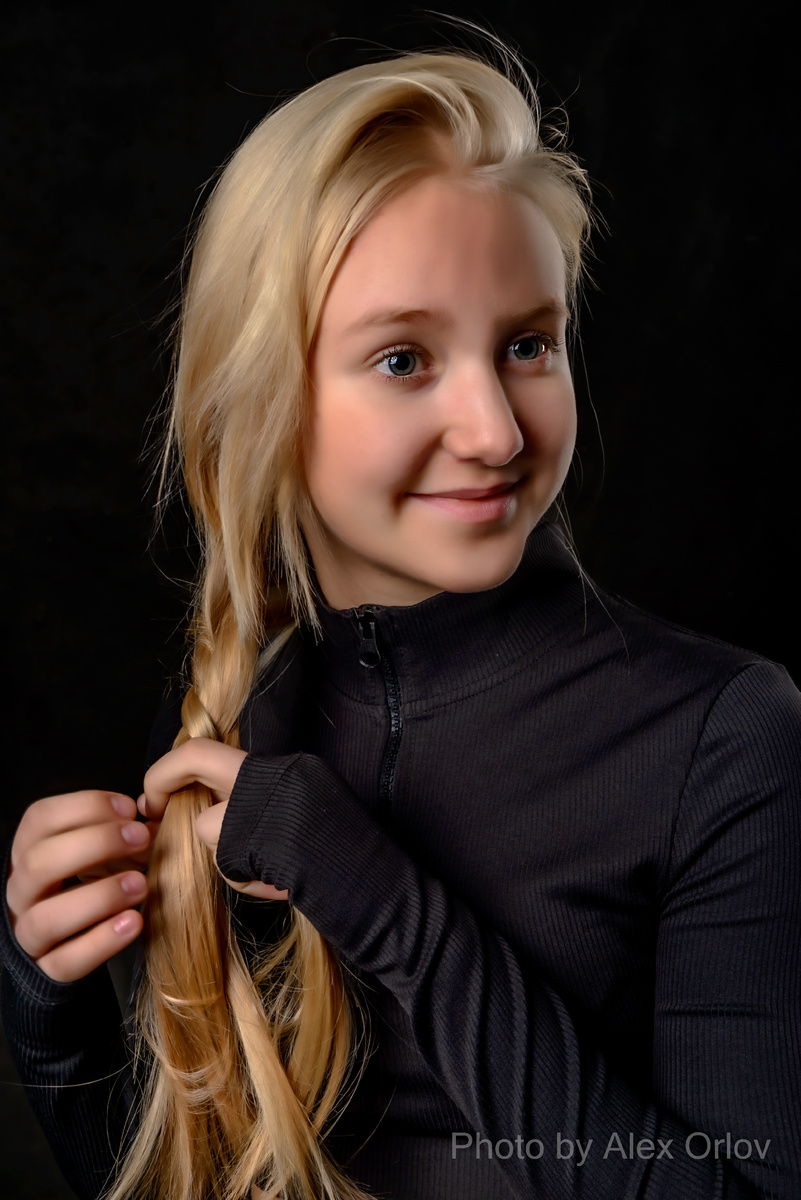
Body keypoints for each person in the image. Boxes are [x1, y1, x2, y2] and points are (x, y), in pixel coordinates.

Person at [2, 44, 800, 1200]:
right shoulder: (242, 726)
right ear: (265, 398)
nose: (496, 432)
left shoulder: (723, 733)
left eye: (527, 345)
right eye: (404, 359)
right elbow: (196, 1174)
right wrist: (50, 1010)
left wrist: (381, 902)